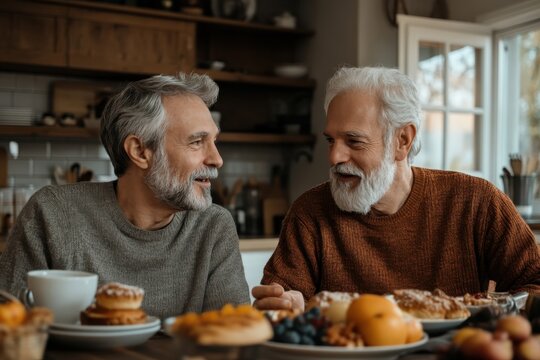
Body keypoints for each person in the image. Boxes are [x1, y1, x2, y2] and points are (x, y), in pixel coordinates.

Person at [252, 66, 540, 312]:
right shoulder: (309, 213)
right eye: (331, 140)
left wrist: (496, 310)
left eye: (353, 141)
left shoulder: (476, 201)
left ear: (402, 140)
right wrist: (284, 305)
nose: (334, 157)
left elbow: (535, 282)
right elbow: (280, 305)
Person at [0, 73, 250, 318]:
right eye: (197, 142)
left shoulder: (214, 226)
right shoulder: (52, 213)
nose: (217, 159)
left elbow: (233, 337)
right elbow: (8, 327)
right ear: (140, 151)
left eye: (214, 141)